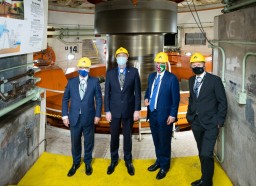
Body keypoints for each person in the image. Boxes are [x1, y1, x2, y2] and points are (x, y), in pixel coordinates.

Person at [186, 53, 228, 186]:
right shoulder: (191, 80)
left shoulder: (215, 80)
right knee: (201, 153)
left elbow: (222, 102)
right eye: (194, 65)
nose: (196, 66)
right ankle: (204, 178)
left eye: (199, 64)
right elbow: (192, 99)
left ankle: (207, 183)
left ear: (204, 65)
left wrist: (219, 121)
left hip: (211, 123)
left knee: (206, 154)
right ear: (191, 66)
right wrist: (189, 116)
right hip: (196, 123)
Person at [62, 57, 102, 177]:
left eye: (86, 68)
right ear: (78, 68)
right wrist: (64, 115)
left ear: (89, 69)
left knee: (89, 142)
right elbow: (65, 99)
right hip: (74, 117)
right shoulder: (71, 82)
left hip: (89, 117)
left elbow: (99, 100)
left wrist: (97, 115)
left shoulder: (95, 82)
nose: (83, 70)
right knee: (75, 142)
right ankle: (76, 163)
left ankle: (88, 163)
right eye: (81, 67)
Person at [104, 47, 141, 176]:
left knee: (127, 137)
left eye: (123, 55)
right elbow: (107, 93)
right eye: (119, 55)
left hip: (128, 110)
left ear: (127, 57)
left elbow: (137, 93)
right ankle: (113, 160)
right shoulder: (110, 73)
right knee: (114, 137)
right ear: (116, 58)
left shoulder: (134, 72)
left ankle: (128, 161)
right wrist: (107, 110)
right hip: (113, 111)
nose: (121, 57)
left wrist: (137, 110)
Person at [144, 52, 180, 180]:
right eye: (158, 63)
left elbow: (176, 99)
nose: (159, 65)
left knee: (164, 141)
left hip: (165, 116)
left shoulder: (172, 78)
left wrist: (173, 114)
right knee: (156, 140)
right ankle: (158, 161)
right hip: (152, 114)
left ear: (166, 64)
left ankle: (165, 166)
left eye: (162, 63)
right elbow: (149, 91)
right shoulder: (151, 76)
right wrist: (146, 98)